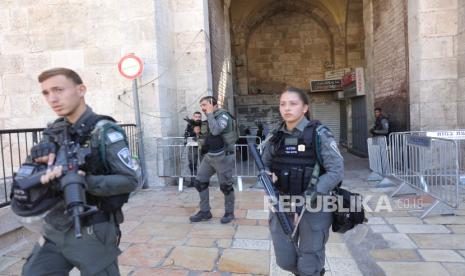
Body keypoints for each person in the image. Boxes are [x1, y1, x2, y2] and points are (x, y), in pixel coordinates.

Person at [19, 68, 138, 276]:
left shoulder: (104, 130)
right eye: (46, 93)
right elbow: (28, 175)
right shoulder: (53, 131)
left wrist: (86, 182)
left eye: (58, 89)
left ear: (81, 90)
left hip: (93, 226)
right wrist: (39, 165)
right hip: (55, 226)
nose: (52, 98)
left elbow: (129, 180)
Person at [261, 87, 344, 276]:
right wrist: (267, 175)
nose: (286, 108)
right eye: (283, 104)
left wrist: (307, 201)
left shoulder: (319, 134)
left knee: (309, 263)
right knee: (285, 260)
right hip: (282, 204)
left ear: (305, 107)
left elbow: (336, 171)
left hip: (314, 207)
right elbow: (264, 166)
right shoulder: (275, 137)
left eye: (293, 103)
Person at [189, 96, 238, 224]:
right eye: (201, 106)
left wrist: (210, 113)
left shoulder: (224, 116)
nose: (203, 108)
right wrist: (198, 132)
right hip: (209, 156)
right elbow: (207, 138)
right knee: (200, 182)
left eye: (204, 105)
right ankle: (205, 211)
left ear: (213, 104)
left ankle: (229, 212)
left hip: (224, 157)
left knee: (226, 186)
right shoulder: (209, 118)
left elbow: (216, 131)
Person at [183, 111, 202, 187]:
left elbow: (205, 134)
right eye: (196, 117)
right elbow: (187, 134)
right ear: (193, 117)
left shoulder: (204, 124)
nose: (198, 118)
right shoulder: (189, 124)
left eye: (199, 117)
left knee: (203, 165)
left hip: (202, 147)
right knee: (192, 164)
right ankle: (193, 181)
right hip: (192, 147)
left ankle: (202, 182)